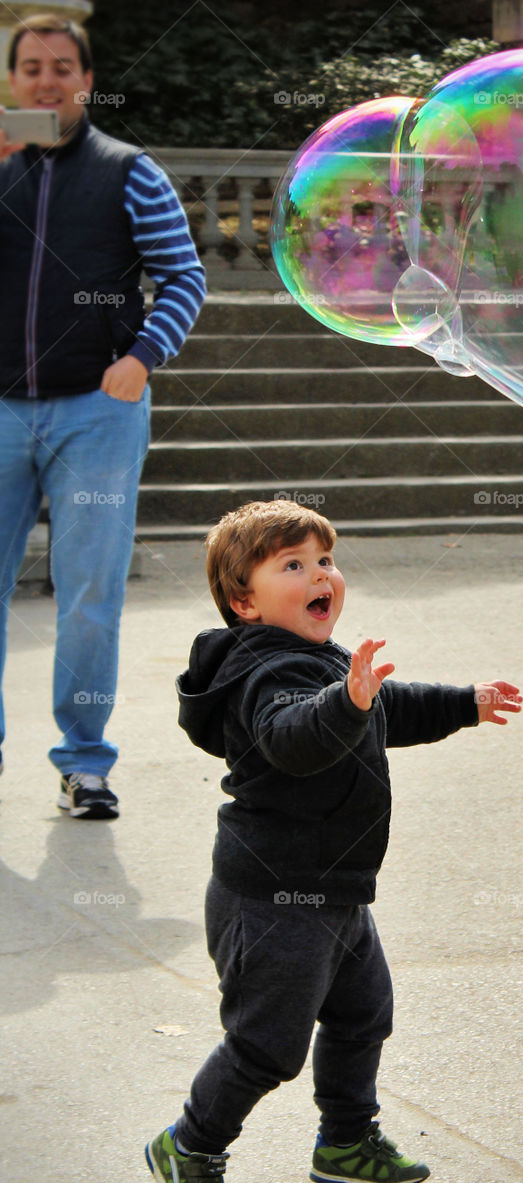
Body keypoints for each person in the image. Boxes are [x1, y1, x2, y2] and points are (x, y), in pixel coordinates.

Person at [145, 499, 522, 1183]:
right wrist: (344, 704)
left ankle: (346, 1139)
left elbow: (385, 707)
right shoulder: (264, 671)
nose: (320, 575)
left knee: (362, 1013)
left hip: (335, 890)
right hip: (274, 901)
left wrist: (461, 704)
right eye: (293, 565)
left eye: (324, 560)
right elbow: (293, 735)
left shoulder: (316, 661)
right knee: (266, 1046)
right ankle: (189, 1146)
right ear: (242, 601)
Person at [0, 13, 206, 818]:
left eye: (61, 67)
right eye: (30, 67)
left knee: (89, 596)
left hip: (97, 411)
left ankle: (84, 763)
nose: (46, 80)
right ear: (13, 79)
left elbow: (183, 277)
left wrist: (141, 358)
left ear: (86, 79)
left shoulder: (129, 171)